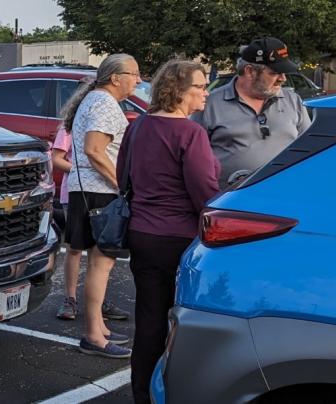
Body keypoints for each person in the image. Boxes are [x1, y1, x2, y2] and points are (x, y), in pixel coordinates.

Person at [117, 60, 220, 403]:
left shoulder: (138, 126)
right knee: (181, 322)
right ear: (178, 91)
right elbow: (204, 193)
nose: (206, 92)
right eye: (200, 86)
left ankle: (141, 393)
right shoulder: (191, 134)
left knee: (148, 319)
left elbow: (123, 178)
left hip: (141, 233)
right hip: (178, 237)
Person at [63, 53, 141, 359]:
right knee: (101, 263)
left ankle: (99, 328)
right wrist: (121, 185)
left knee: (100, 262)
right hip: (98, 191)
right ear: (115, 77)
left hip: (89, 189)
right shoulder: (103, 103)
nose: (139, 79)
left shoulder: (97, 100)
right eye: (134, 74)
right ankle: (94, 335)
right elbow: (95, 150)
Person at [192, 37, 311, 188]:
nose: (283, 79)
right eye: (275, 72)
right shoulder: (210, 104)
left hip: (284, 197)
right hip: (231, 203)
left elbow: (309, 149)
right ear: (250, 71)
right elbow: (194, 160)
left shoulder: (293, 101)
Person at [52, 126, 130, 322]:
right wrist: (88, 170)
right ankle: (70, 299)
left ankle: (98, 300)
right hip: (76, 193)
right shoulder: (70, 127)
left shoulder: (107, 126)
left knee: (100, 251)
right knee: (74, 248)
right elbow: (56, 158)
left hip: (105, 193)